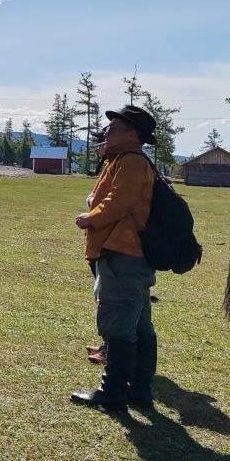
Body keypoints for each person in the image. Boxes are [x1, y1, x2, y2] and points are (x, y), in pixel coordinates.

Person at [71, 105, 158, 413]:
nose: (107, 133)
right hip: (128, 255)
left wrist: (89, 218)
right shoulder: (123, 160)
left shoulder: (132, 162)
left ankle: (113, 393)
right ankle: (139, 391)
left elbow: (117, 202)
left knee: (119, 326)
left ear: (131, 135)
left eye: (114, 128)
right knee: (140, 326)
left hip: (124, 255)